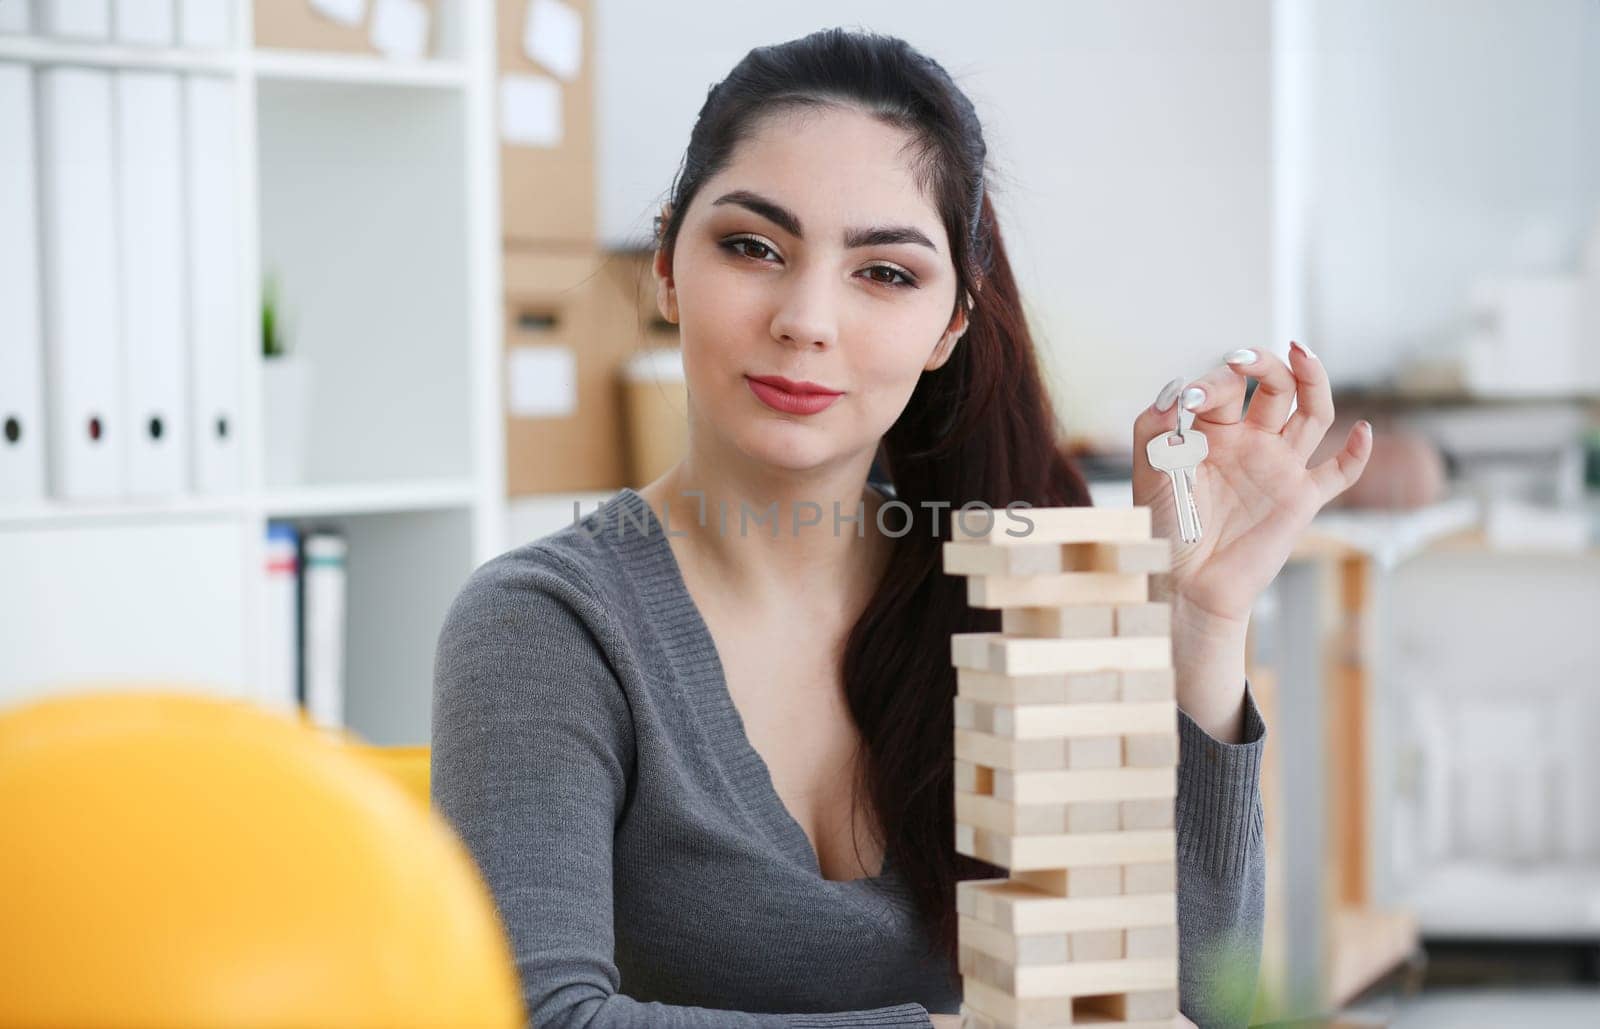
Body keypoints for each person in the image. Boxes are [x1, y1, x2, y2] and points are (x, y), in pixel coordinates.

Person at [431, 27, 1372, 1029]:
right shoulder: (545, 623)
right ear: (666, 266)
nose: (806, 318)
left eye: (883, 272)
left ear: (950, 328)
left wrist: (1197, 620)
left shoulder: (1022, 591)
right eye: (752, 247)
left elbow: (1179, 1009)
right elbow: (539, 1016)